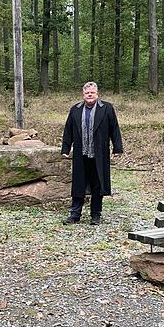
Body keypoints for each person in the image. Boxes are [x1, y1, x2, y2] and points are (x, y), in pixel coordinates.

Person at [60, 82, 123, 225]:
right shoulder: (75, 109)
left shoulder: (106, 108)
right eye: (87, 93)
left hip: (99, 154)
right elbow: (68, 129)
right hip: (80, 154)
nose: (90, 95)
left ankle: (95, 215)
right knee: (78, 184)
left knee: (98, 185)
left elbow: (114, 128)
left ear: (97, 94)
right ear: (83, 95)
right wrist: (65, 148)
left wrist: (117, 148)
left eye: (92, 93)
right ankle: (75, 215)